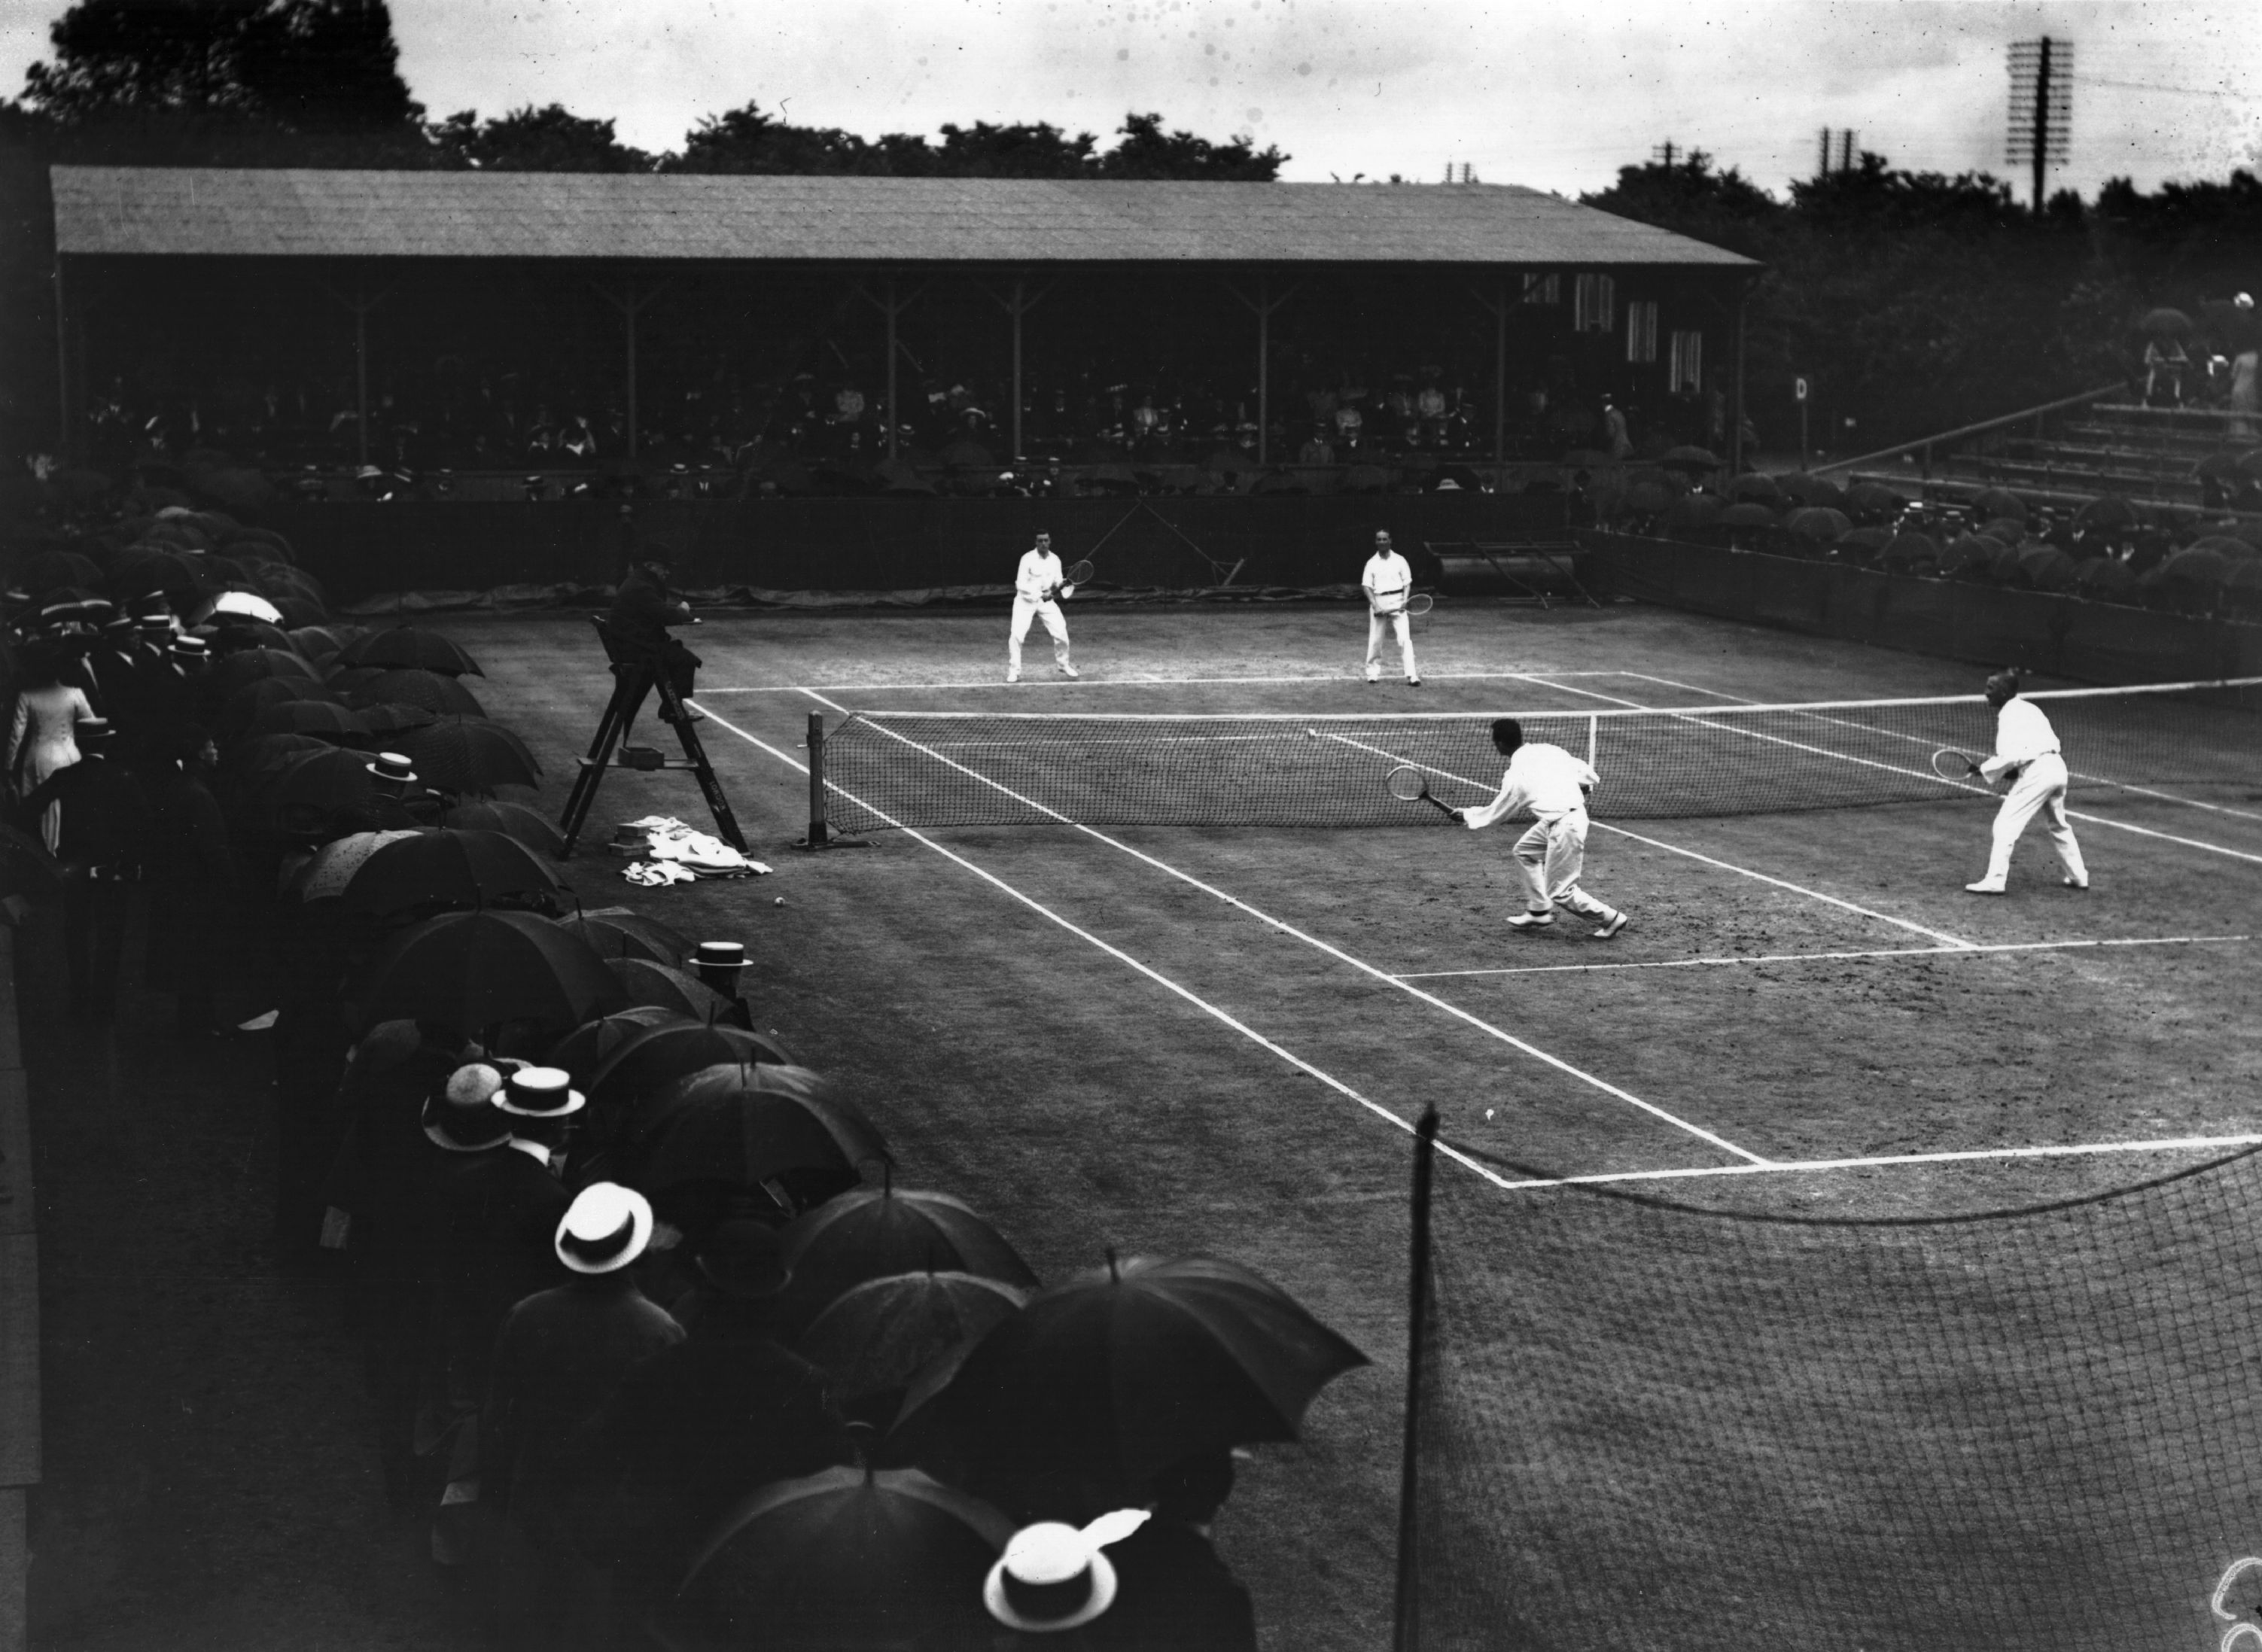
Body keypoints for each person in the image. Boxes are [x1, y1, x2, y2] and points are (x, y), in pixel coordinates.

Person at [1451, 717, 1628, 939]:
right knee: (1524, 851)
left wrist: (1467, 815)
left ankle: (1611, 918)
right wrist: (1585, 787)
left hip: (1565, 826)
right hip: (1565, 818)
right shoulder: (1548, 750)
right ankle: (1539, 910)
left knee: (1561, 892)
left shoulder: (1516, 777)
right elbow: (1586, 773)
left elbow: (1498, 812)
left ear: (1499, 744)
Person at [1965, 669, 2088, 895]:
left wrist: (1983, 770)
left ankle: (1995, 880)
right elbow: (2028, 751)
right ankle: (2079, 877)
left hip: (2039, 773)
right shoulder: (2030, 709)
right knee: (2059, 825)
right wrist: (2009, 772)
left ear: (2004, 691)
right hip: (2057, 768)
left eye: (1990, 688)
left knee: (2005, 825)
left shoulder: (2008, 715)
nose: (1986, 693)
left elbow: (2010, 757)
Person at [605, 549, 704, 725]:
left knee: (677, 653)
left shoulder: (638, 583)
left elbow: (656, 610)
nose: (667, 572)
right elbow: (663, 614)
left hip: (631, 645)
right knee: (684, 659)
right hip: (636, 650)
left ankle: (673, 707)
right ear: (649, 566)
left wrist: (676, 612)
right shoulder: (640, 586)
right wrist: (684, 612)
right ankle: (673, 709)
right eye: (663, 568)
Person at [1008, 530, 1079, 685]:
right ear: (1036, 542)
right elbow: (1020, 584)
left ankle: (1064, 665)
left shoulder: (1055, 560)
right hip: (1025, 601)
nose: (1043, 544)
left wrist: (1063, 584)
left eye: (1046, 540)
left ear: (1050, 541)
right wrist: (1040, 594)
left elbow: (1058, 581)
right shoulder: (1026, 559)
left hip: (1046, 602)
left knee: (1061, 632)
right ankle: (1014, 671)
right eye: (1040, 541)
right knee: (1017, 635)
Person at [1360, 531, 1420, 686]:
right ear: (1376, 542)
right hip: (1379, 602)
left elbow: (1407, 583)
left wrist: (1405, 601)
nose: (1382, 542)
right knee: (1375, 640)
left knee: (1405, 640)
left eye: (1385, 539)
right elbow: (1367, 586)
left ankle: (1412, 675)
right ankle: (1372, 673)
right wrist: (1375, 605)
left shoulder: (1400, 560)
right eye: (1379, 539)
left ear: (1390, 541)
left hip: (1399, 602)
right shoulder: (1371, 563)